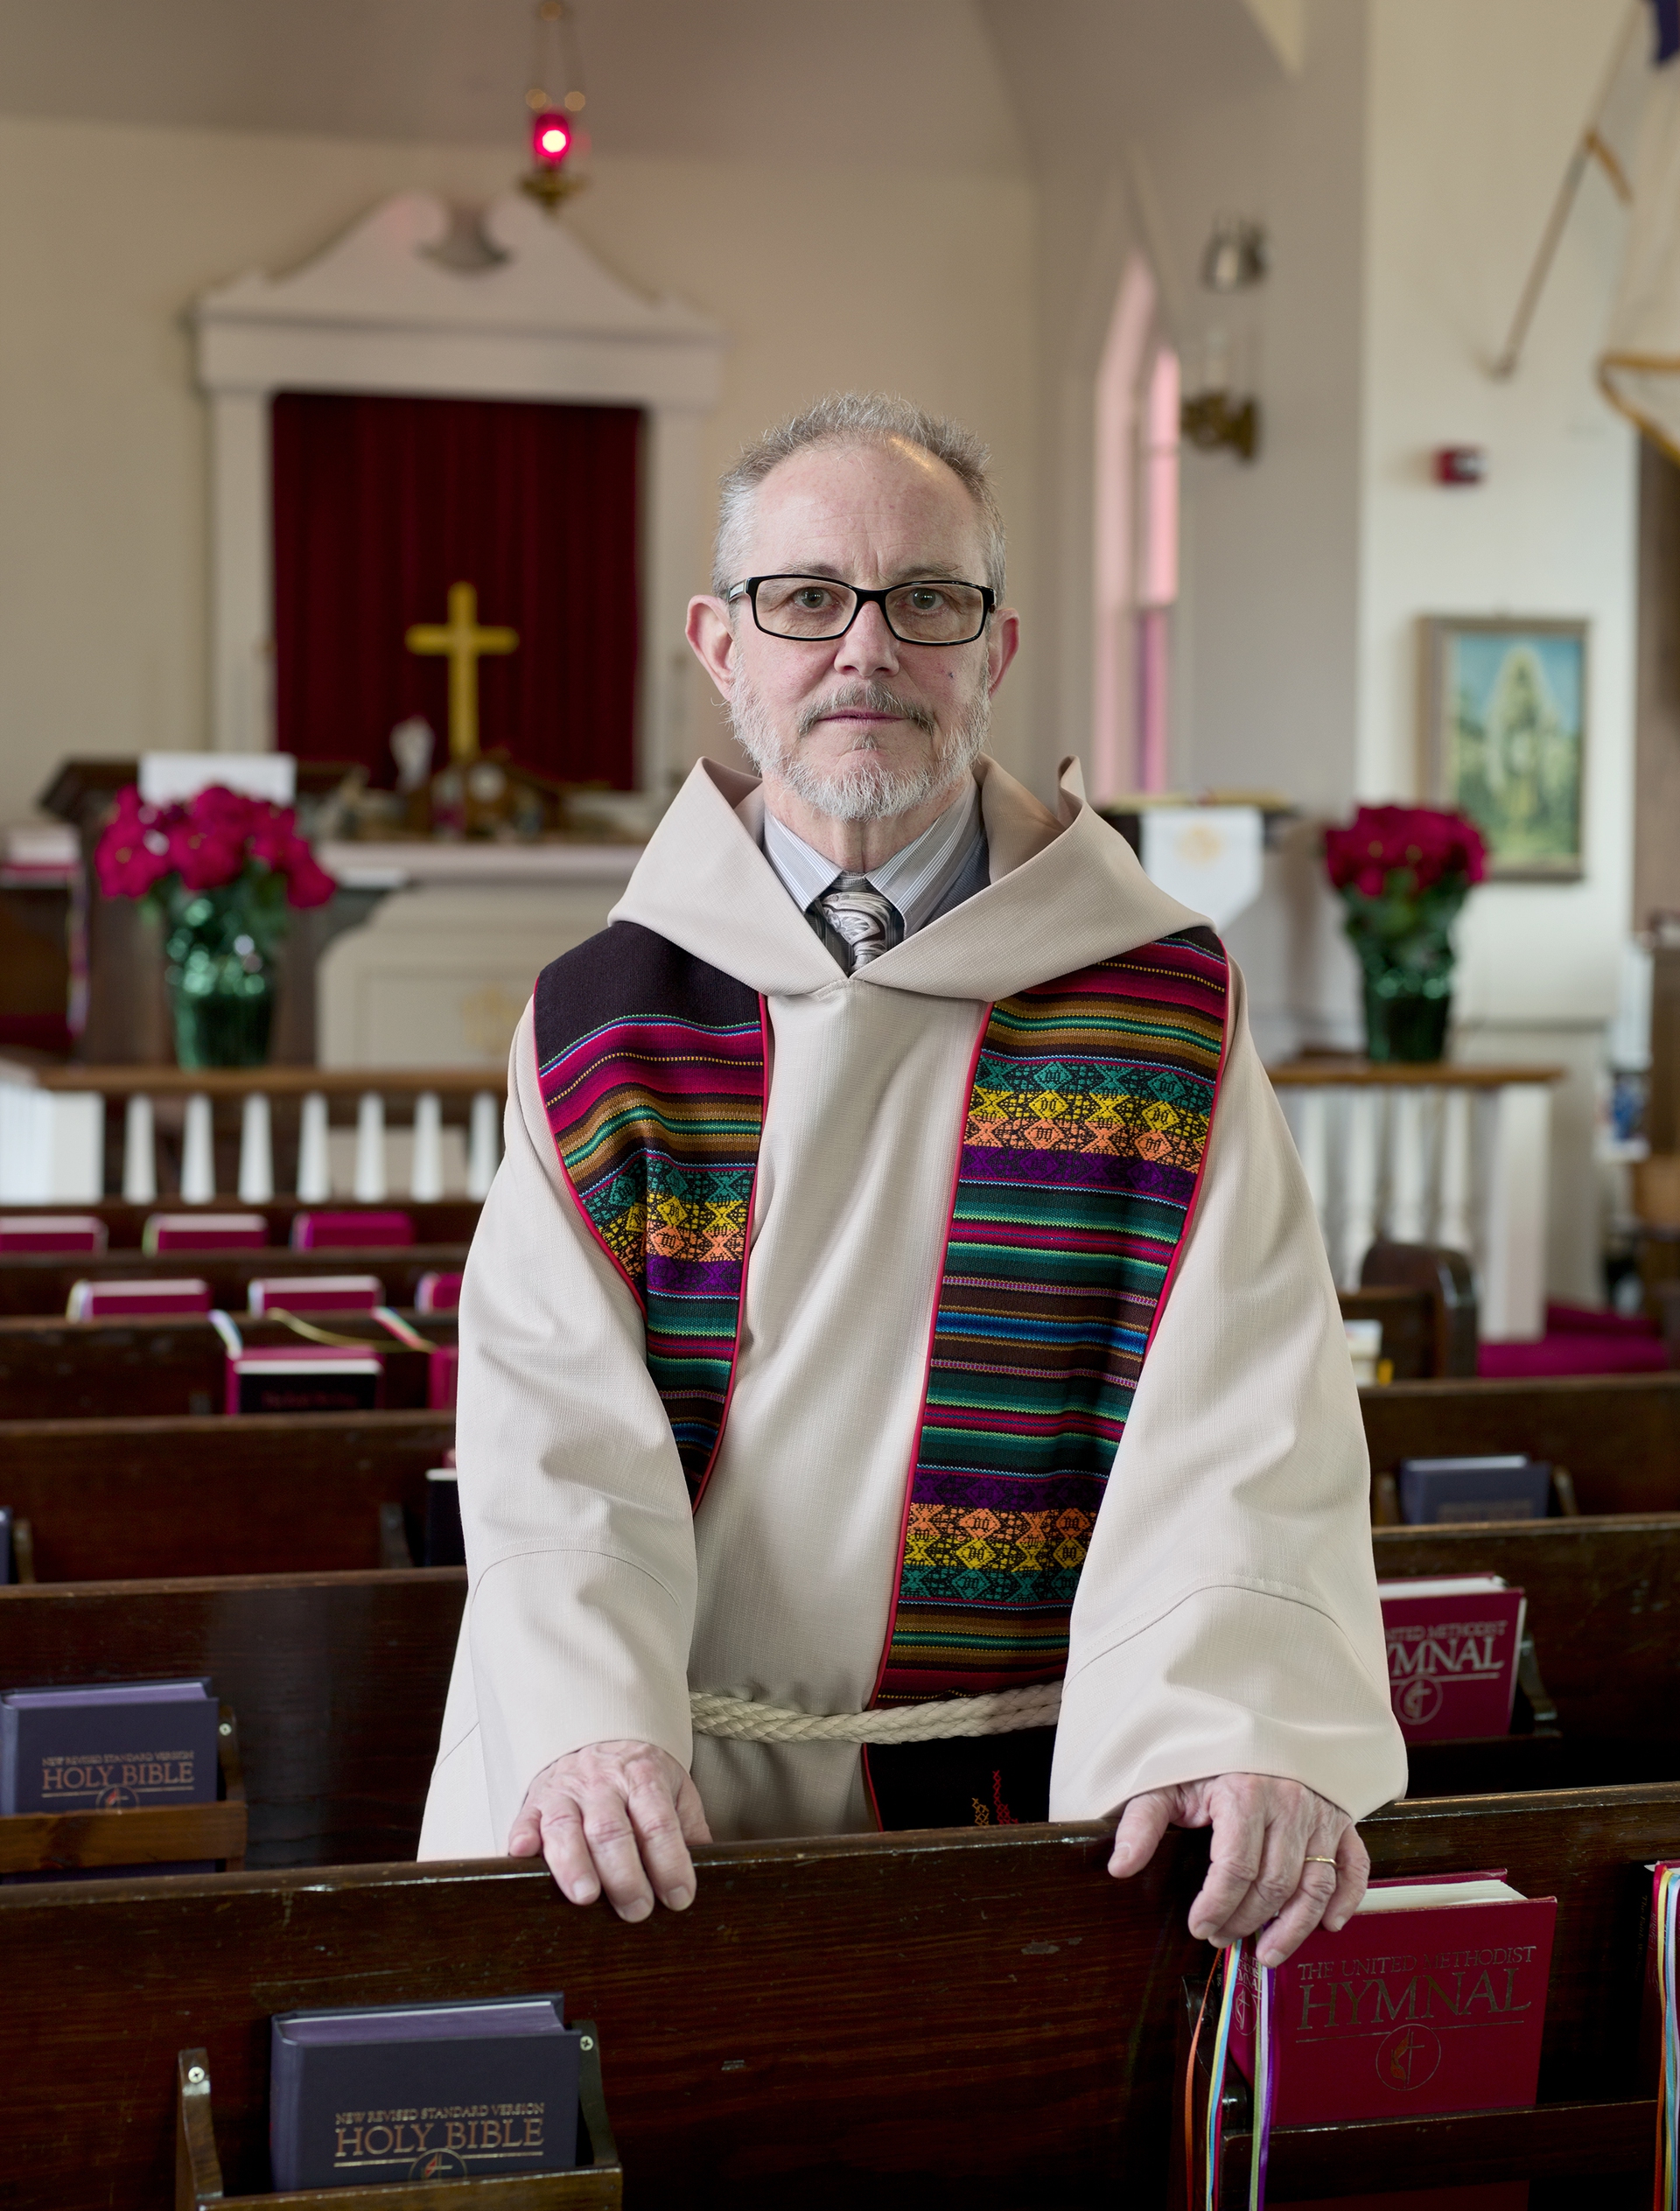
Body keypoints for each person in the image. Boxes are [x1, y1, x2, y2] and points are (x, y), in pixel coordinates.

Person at [419, 392, 1405, 1970]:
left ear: (995, 652)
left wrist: (1237, 1714)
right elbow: (551, 1429)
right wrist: (589, 1723)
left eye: (926, 602)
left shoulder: (1153, 1009)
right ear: (721, 645)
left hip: (1051, 1800)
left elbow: (1249, 1400)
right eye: (806, 600)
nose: (864, 651)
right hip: (664, 1798)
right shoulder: (611, 1017)